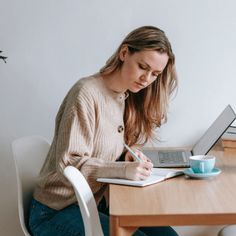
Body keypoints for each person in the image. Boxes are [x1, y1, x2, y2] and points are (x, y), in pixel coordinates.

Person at [29, 25, 179, 236]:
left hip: (93, 203)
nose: (147, 79)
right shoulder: (86, 93)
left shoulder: (124, 95)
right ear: (124, 53)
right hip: (55, 211)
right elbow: (69, 163)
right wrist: (123, 171)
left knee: (168, 235)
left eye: (155, 74)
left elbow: (106, 146)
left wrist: (128, 156)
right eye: (142, 67)